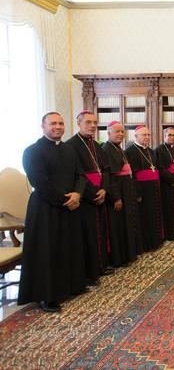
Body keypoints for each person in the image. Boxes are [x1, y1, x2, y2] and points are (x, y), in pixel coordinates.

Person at [19, 112, 87, 312]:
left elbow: (80, 176)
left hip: (71, 205)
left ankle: (72, 286)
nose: (57, 127)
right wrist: (67, 199)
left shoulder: (70, 150)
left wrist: (78, 194)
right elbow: (40, 182)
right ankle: (47, 296)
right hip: (46, 208)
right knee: (48, 251)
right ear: (43, 126)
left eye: (61, 123)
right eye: (53, 123)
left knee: (70, 247)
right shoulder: (32, 151)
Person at [66, 111, 112, 284]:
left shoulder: (96, 145)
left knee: (100, 231)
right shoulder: (71, 145)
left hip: (100, 192)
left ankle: (100, 266)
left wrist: (104, 190)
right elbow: (76, 175)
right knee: (88, 235)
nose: (92, 125)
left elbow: (105, 170)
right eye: (88, 122)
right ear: (79, 123)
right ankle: (89, 272)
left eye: (94, 122)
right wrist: (93, 193)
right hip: (86, 197)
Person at [102, 121, 140, 265]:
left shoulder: (119, 149)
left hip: (126, 191)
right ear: (109, 133)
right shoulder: (106, 149)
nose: (120, 134)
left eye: (122, 132)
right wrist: (116, 198)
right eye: (116, 131)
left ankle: (128, 254)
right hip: (118, 195)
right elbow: (110, 177)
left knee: (127, 224)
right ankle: (119, 258)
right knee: (118, 226)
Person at [125, 126, 163, 251]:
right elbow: (132, 175)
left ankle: (156, 241)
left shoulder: (151, 151)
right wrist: (137, 193)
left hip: (154, 188)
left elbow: (155, 169)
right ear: (135, 136)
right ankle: (146, 244)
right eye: (144, 135)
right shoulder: (130, 152)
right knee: (145, 217)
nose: (147, 137)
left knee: (155, 214)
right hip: (142, 190)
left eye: (148, 134)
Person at [155, 127, 174, 240]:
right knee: (168, 209)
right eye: (170, 135)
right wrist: (173, 180)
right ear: (164, 136)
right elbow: (160, 169)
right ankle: (168, 234)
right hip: (166, 185)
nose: (172, 137)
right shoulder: (159, 150)